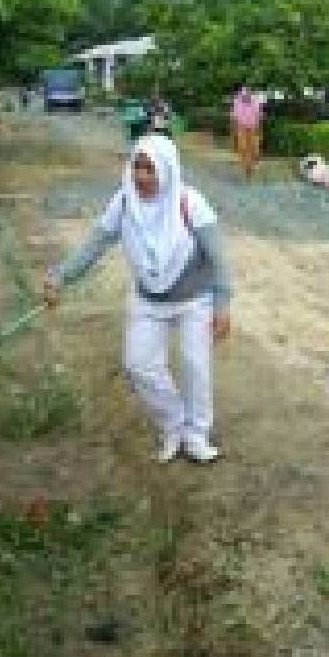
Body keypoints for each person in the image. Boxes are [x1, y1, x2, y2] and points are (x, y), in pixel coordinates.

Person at [43, 134, 232, 464]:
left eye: (150, 169)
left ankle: (197, 433)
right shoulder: (125, 202)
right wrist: (60, 277)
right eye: (137, 167)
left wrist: (223, 303)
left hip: (194, 300)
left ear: (167, 171)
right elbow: (95, 244)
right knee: (138, 365)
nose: (142, 177)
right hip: (148, 299)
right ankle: (174, 424)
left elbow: (218, 257)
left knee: (195, 365)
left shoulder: (191, 203)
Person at [230, 86, 263, 177]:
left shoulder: (255, 100)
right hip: (242, 126)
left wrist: (258, 127)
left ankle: (250, 164)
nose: (247, 95)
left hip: (252, 127)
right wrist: (235, 127)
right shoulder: (238, 100)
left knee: (253, 147)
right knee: (243, 147)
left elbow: (258, 115)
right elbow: (235, 115)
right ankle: (246, 164)